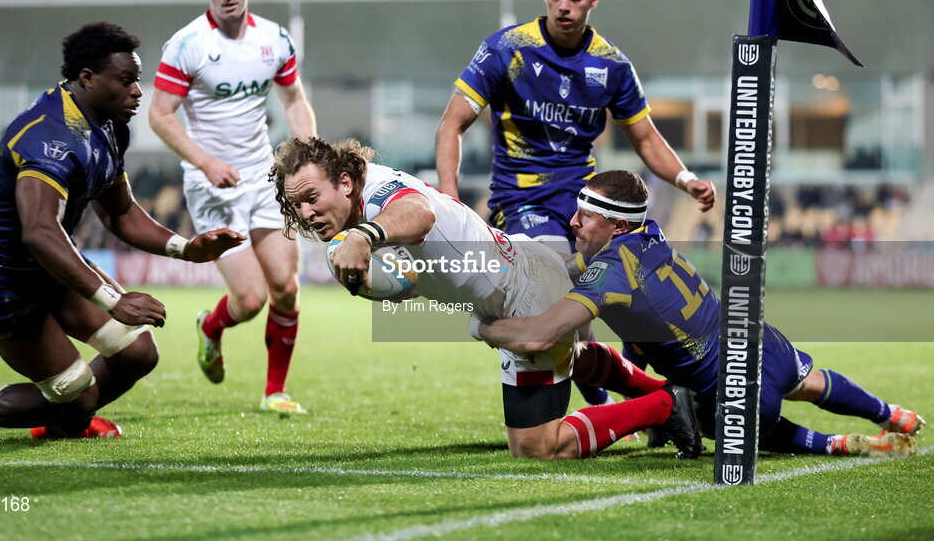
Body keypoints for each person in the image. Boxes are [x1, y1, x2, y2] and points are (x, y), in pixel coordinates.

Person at [269, 136, 702, 460]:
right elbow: (408, 276)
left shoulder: (381, 195)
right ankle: (662, 390)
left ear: (345, 182)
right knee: (574, 354)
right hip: (525, 262)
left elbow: (420, 214)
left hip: (524, 296)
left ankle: (663, 407)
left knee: (536, 447)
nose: (306, 213)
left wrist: (366, 236)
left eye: (311, 198)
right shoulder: (361, 203)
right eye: (297, 206)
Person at [0, 22, 243, 440]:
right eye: (126, 81)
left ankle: (67, 420)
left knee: (138, 351)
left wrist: (187, 248)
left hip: (47, 267)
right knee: (75, 393)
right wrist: (111, 300)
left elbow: (120, 213)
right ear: (87, 77)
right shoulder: (48, 137)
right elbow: (39, 231)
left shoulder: (110, 126)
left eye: (136, 81)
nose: (138, 91)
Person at [434, 0, 715, 408]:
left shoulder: (612, 66)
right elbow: (452, 124)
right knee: (568, 315)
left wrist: (685, 179)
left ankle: (659, 401)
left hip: (589, 204)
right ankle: (629, 406)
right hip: (525, 203)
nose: (564, 5)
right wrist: (448, 195)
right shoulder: (507, 49)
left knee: (635, 300)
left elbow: (645, 139)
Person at [476, 170, 925, 458]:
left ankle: (831, 444)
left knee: (720, 417)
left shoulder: (613, 272)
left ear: (616, 227)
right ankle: (891, 414)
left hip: (728, 391)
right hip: (760, 340)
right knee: (809, 382)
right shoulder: (649, 234)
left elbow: (536, 337)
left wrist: (484, 325)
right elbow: (579, 273)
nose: (572, 222)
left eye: (586, 216)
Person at [149, 0, 317, 415]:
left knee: (286, 288)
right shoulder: (187, 46)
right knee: (249, 299)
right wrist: (205, 162)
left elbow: (295, 101)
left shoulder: (274, 40)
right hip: (212, 187)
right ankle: (211, 327)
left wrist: (310, 158)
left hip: (263, 178)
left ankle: (275, 392)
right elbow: (160, 116)